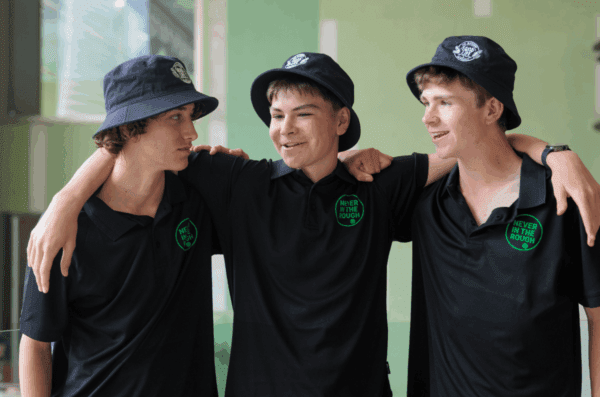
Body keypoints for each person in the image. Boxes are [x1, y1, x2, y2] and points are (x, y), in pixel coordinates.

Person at [26, 52, 600, 396]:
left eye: (303, 114)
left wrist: (554, 153)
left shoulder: (380, 185)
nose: (285, 129)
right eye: (277, 116)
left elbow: (475, 145)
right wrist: (66, 199)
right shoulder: (236, 184)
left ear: (341, 120)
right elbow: (129, 147)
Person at [400, 36, 600, 396]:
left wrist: (554, 156)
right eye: (426, 102)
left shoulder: (564, 200)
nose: (428, 117)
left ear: (492, 109)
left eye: (445, 102)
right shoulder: (425, 204)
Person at [19, 55, 221, 396]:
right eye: (175, 117)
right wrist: (67, 200)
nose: (192, 132)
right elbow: (36, 344)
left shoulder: (197, 199)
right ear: (129, 128)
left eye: (190, 116)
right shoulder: (64, 231)